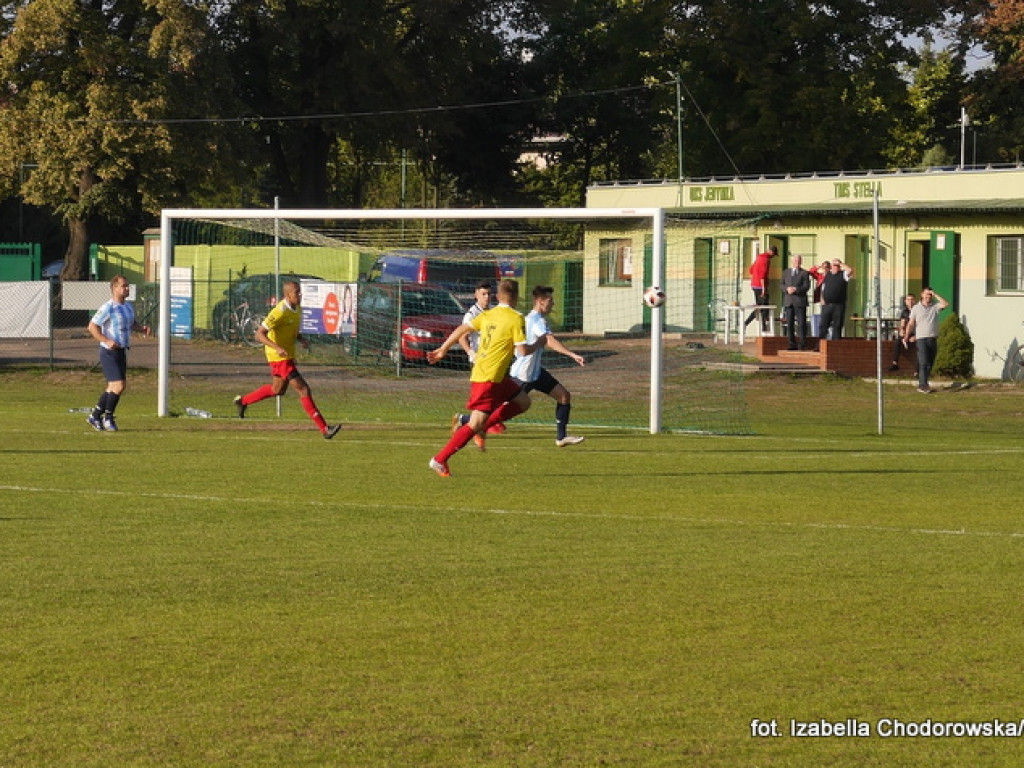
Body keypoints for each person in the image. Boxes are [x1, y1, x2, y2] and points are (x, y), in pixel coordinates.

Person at [426, 279, 546, 477]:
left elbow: (462, 329)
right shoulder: (516, 318)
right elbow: (523, 351)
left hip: (493, 375)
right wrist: (539, 342)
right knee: (474, 424)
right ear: (516, 297)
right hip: (488, 378)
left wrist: (443, 349)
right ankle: (440, 459)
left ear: (498, 297)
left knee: (523, 401)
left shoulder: (488, 314)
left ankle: (484, 427)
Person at [234, 280, 341, 438]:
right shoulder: (279, 311)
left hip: (287, 356)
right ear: (287, 295)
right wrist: (276, 348)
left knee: (277, 390)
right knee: (303, 389)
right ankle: (325, 429)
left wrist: (301, 339)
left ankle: (243, 401)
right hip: (278, 358)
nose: (300, 295)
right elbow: (259, 334)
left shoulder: (297, 309)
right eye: (296, 292)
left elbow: (290, 329)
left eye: (300, 292)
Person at [508, 285, 586, 447]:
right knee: (505, 410)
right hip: (523, 374)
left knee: (564, 396)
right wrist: (572, 355)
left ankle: (561, 437)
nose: (553, 304)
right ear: (540, 302)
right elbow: (549, 341)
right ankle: (465, 420)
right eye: (550, 300)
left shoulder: (538, 320)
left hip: (536, 372)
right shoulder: (535, 320)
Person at [86, 275, 151, 431]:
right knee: (119, 385)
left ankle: (95, 416)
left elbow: (131, 323)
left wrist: (141, 328)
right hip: (109, 352)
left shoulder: (128, 307)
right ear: (114, 288)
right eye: (124, 286)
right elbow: (92, 326)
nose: (127, 288)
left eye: (127, 286)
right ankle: (108, 418)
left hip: (121, 350)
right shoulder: (108, 307)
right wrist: (106, 340)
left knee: (113, 387)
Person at [452, 280, 505, 439]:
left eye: (489, 294)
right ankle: (477, 423)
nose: (487, 297)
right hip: (479, 361)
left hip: (494, 359)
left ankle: (468, 420)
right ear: (476, 295)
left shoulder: (494, 311)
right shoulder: (472, 314)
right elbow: (462, 336)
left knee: (495, 392)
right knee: (485, 395)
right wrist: (470, 352)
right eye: (483, 294)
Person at [904, 287, 949, 393]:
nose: (928, 297)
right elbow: (911, 323)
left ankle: (923, 382)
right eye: (926, 294)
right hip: (921, 339)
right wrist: (907, 335)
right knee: (923, 362)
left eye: (930, 295)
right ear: (922, 295)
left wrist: (935, 294)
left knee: (930, 363)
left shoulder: (934, 307)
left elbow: (945, 304)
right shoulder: (916, 308)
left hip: (932, 338)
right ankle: (923, 385)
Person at [744, 245, 777, 333]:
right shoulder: (766, 260)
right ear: (771, 252)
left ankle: (748, 323)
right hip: (760, 286)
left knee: (760, 306)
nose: (773, 257)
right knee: (764, 307)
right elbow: (763, 275)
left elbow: (751, 270)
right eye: (773, 255)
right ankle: (762, 327)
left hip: (754, 285)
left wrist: (754, 279)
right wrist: (763, 289)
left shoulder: (759, 257)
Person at [818, 258, 854, 340]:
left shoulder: (843, 274)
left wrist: (840, 263)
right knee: (823, 326)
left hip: (838, 305)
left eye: (836, 266)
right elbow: (823, 288)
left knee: (837, 326)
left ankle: (835, 345)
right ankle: (820, 345)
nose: (834, 267)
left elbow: (850, 270)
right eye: (833, 265)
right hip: (827, 305)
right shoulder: (827, 275)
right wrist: (822, 299)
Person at [781, 255, 811, 350]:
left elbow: (806, 286)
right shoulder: (786, 272)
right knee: (789, 324)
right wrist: (786, 289)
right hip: (789, 301)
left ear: (801, 262)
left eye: (798, 260)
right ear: (792, 261)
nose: (796, 262)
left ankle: (802, 343)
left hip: (800, 301)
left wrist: (796, 289)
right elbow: (781, 284)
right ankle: (791, 344)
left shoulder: (804, 273)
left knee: (801, 323)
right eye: (795, 260)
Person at [888, 293, 916, 372]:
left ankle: (917, 371)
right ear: (905, 301)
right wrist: (902, 331)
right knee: (897, 342)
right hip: (907, 333)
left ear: (915, 301)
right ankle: (895, 363)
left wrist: (916, 336)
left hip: (916, 333)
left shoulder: (917, 310)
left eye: (912, 299)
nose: (910, 301)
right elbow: (902, 324)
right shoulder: (905, 312)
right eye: (908, 300)